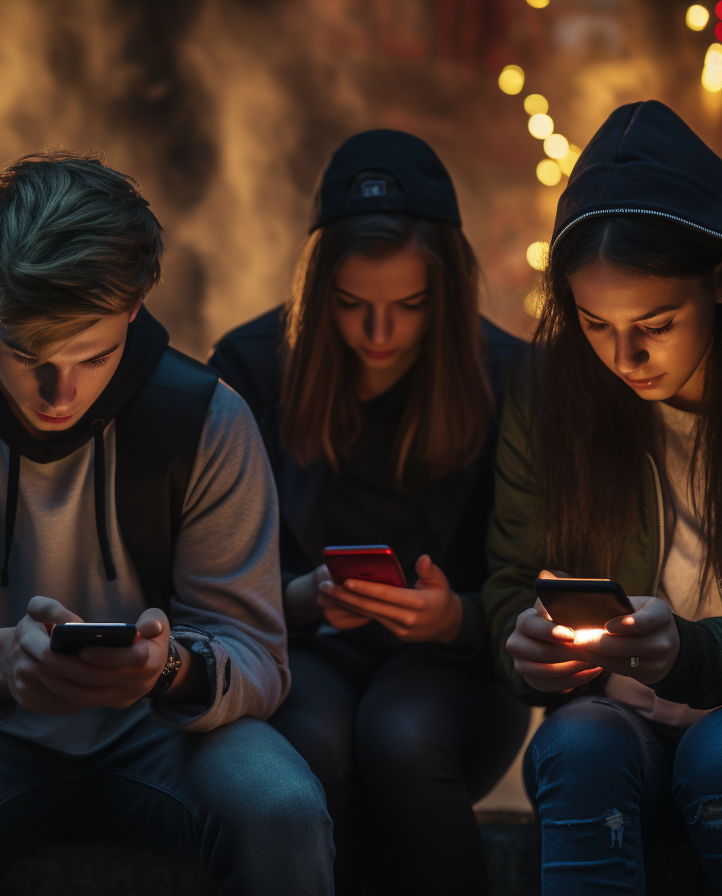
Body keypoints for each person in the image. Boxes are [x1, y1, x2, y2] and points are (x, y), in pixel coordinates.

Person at [0, 151, 333, 896]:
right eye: (29, 356)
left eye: (93, 357)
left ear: (132, 308)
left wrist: (172, 668)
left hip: (164, 736)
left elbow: (255, 650)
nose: (59, 394)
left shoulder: (205, 421)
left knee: (281, 806)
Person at [485, 100, 722, 896]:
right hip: (620, 717)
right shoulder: (553, 389)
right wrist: (527, 652)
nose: (625, 356)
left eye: (657, 323)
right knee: (576, 747)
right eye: (596, 325)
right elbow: (509, 583)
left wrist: (700, 657)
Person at [209, 130, 530, 895]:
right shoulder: (251, 369)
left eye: (409, 307)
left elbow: (537, 584)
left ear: (445, 295)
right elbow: (207, 579)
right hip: (304, 646)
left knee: (402, 735)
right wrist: (299, 597)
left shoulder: (514, 379)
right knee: (308, 744)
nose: (378, 335)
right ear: (319, 292)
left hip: (458, 665)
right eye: (352, 306)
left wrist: (454, 618)